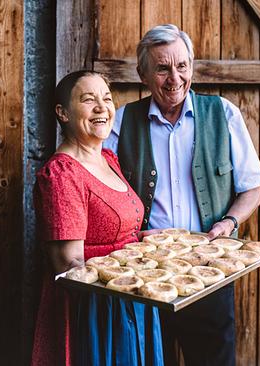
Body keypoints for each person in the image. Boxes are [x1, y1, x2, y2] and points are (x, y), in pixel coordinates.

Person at [103, 24, 260, 366]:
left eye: (182, 66)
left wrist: (228, 222)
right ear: (143, 74)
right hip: (144, 274)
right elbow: (104, 192)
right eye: (162, 68)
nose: (174, 78)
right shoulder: (122, 121)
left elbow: (253, 188)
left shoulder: (223, 114)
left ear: (192, 67)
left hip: (210, 271)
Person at [31, 70, 164, 366]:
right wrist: (132, 263)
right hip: (95, 311)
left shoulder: (108, 160)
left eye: (106, 98)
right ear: (63, 112)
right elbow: (69, 264)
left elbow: (112, 234)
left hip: (130, 296)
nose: (102, 107)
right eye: (88, 100)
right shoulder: (62, 175)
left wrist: (145, 243)